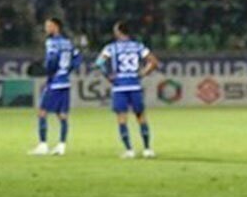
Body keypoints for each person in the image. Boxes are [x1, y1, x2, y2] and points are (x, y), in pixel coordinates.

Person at [94, 21, 159, 158]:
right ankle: (147, 149)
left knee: (122, 118)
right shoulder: (138, 46)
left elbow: (99, 63)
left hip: (120, 87)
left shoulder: (111, 48)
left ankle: (129, 150)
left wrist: (109, 76)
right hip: (134, 85)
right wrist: (142, 73)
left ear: (118, 32)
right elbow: (153, 62)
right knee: (141, 116)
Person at [28, 17, 81, 156]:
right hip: (65, 81)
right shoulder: (68, 43)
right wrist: (68, 70)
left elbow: (51, 59)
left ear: (55, 27)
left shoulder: (51, 42)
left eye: (48, 25)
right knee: (62, 114)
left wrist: (48, 70)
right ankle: (61, 145)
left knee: (42, 112)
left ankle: (43, 144)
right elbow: (77, 58)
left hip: (55, 82)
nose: (46, 28)